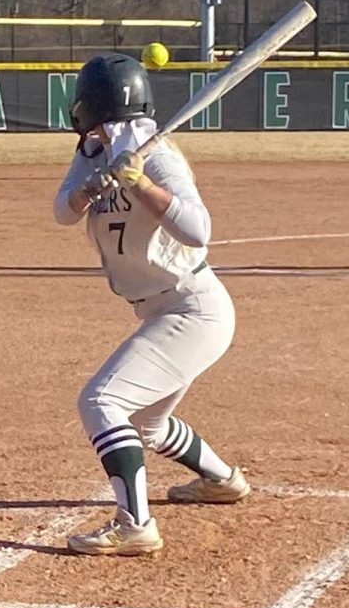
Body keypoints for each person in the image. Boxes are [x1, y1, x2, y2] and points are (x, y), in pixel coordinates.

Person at [53, 53, 250, 557]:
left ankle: (134, 523)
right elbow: (61, 212)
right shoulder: (94, 151)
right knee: (147, 426)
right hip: (161, 310)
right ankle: (222, 480)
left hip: (192, 308)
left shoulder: (158, 157)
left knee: (101, 402)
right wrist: (89, 189)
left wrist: (141, 183)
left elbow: (198, 230)